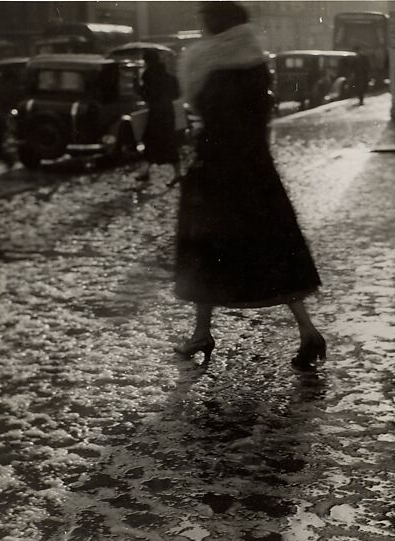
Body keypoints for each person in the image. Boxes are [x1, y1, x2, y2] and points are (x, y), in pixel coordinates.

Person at [174, 1, 325, 371]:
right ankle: (307, 330)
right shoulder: (256, 61)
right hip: (257, 174)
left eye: (207, 17)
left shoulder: (203, 62)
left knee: (206, 252)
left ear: (217, 22)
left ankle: (201, 333)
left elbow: (210, 119)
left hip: (217, 175)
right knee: (274, 251)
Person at [137, 49, 181, 187]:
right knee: (169, 142)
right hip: (168, 112)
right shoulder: (169, 76)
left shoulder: (148, 75)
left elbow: (145, 95)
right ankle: (177, 173)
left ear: (147, 62)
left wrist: (135, 85)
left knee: (149, 140)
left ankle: (145, 172)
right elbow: (176, 94)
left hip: (156, 113)